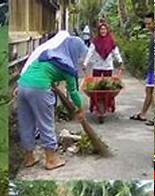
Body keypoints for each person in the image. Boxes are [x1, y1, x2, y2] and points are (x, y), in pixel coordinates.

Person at [17, 32, 87, 170]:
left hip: (22, 86)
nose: (78, 57)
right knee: (46, 123)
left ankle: (29, 158)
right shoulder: (67, 66)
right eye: (78, 54)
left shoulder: (47, 54)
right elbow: (73, 92)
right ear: (74, 50)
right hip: (39, 89)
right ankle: (51, 159)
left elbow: (35, 69)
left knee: (26, 123)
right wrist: (80, 108)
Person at [83, 23, 123, 114]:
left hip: (108, 67)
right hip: (97, 67)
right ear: (99, 31)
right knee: (95, 88)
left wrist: (120, 61)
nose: (103, 31)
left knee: (108, 88)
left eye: (104, 29)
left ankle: (108, 104)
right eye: (101, 29)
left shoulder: (111, 41)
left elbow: (115, 52)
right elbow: (90, 52)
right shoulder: (95, 41)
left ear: (107, 30)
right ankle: (93, 104)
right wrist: (85, 63)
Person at [131, 13, 155, 125]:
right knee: (149, 91)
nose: (147, 26)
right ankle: (143, 114)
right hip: (151, 69)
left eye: (149, 23)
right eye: (146, 24)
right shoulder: (152, 35)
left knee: (153, 92)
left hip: (154, 70)